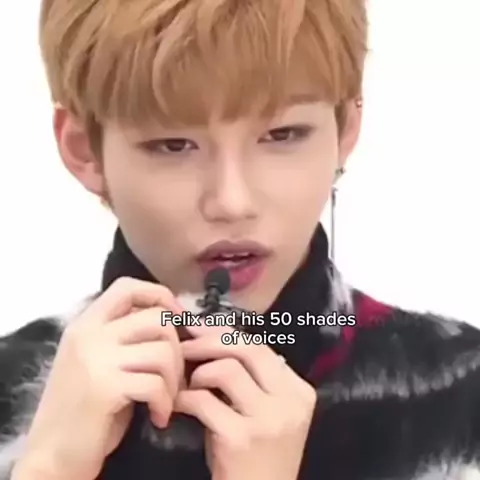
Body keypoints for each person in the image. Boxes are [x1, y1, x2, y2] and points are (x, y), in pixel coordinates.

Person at [1, 0, 480, 479]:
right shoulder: (10, 390)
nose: (232, 202)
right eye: (173, 145)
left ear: (345, 129)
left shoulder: (462, 393)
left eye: (283, 134)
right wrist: (48, 467)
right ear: (84, 149)